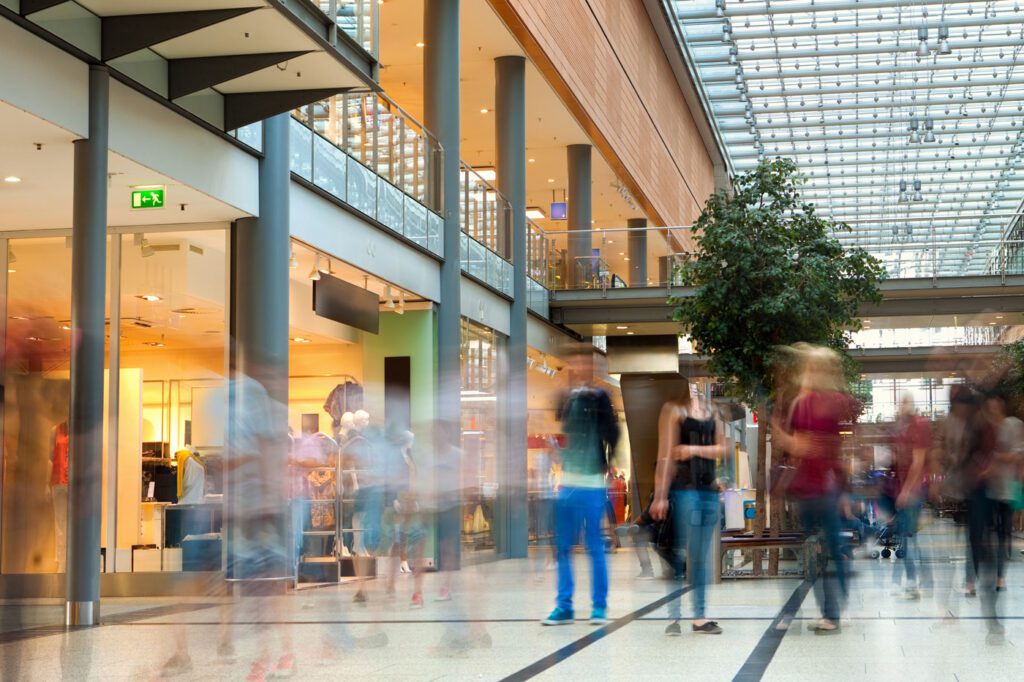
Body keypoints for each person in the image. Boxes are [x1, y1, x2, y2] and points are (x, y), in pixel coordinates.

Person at [773, 345, 855, 634]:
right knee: (822, 550)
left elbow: (806, 446)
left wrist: (783, 435)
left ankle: (832, 610)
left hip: (822, 489)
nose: (807, 372)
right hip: (811, 489)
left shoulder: (823, 403)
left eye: (811, 367)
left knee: (820, 551)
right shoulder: (817, 402)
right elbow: (804, 448)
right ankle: (832, 609)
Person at [541, 348, 619, 626]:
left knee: (594, 545)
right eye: (574, 362)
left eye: (584, 363)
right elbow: (560, 420)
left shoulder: (600, 398)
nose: (578, 367)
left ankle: (599, 606)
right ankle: (564, 605)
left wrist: (609, 460)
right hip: (569, 481)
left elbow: (614, 432)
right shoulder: (568, 396)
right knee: (563, 546)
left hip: (593, 482)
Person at [651, 384, 726, 636]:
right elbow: (665, 456)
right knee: (680, 555)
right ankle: (674, 616)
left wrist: (692, 450)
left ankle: (700, 616)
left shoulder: (712, 411)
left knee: (699, 558)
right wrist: (660, 496)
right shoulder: (674, 411)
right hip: (684, 491)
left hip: (708, 491)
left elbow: (722, 448)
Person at [885, 394, 932, 599]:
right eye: (901, 402)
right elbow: (897, 460)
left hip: (913, 490)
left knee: (907, 536)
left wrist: (906, 491)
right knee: (906, 535)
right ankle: (913, 580)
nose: (902, 405)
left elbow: (918, 462)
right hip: (902, 490)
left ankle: (909, 582)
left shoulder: (919, 425)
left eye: (906, 402)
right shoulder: (900, 428)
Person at [984, 392, 1024, 592]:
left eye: (995, 406)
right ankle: (992, 573)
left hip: (1007, 490)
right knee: (989, 534)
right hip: (989, 489)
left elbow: (1017, 456)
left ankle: (1000, 577)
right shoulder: (986, 429)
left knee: (1003, 535)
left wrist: (997, 456)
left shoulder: (1013, 425)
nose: (993, 410)